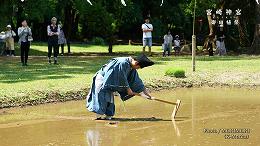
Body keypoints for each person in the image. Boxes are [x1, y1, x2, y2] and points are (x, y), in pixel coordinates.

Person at [86, 54, 154, 120]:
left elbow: (137, 81)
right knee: (101, 97)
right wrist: (128, 90)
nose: (137, 69)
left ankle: (108, 116)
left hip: (110, 81)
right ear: (136, 63)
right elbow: (121, 77)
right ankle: (99, 116)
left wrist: (148, 95)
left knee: (109, 99)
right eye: (138, 67)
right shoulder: (123, 63)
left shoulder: (131, 66)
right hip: (102, 79)